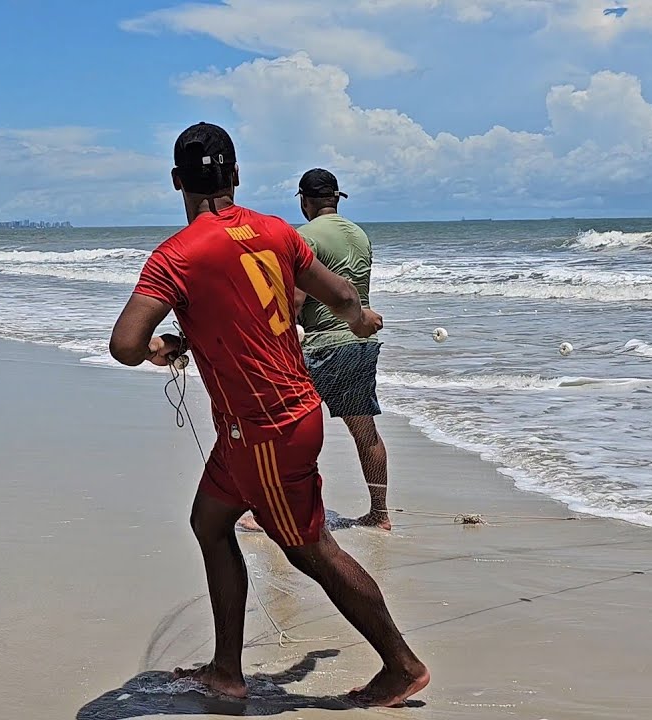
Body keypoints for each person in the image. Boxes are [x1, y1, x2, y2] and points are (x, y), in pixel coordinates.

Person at [109, 122, 428, 707]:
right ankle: (226, 671)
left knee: (311, 549)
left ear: (177, 180)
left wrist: (159, 348)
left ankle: (401, 665)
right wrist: (361, 321)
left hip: (267, 429)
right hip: (256, 427)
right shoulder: (277, 231)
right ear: (235, 175)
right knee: (209, 523)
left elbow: (126, 344)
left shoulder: (175, 257)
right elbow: (341, 296)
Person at [240, 168, 391, 532]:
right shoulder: (360, 235)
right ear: (336, 198)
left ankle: (279, 512)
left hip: (322, 345)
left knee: (287, 429)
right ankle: (379, 514)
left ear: (304, 202)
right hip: (359, 342)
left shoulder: (303, 237)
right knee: (365, 432)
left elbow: (295, 300)